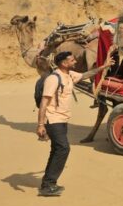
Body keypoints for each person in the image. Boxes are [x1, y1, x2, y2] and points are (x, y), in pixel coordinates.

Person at [36, 51, 113, 197]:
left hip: (62, 120)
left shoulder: (69, 75)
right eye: (72, 60)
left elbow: (85, 75)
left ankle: (48, 183)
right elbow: (44, 102)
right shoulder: (54, 79)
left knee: (56, 150)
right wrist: (40, 124)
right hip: (53, 120)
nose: (75, 61)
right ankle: (48, 185)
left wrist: (104, 66)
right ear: (64, 63)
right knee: (63, 149)